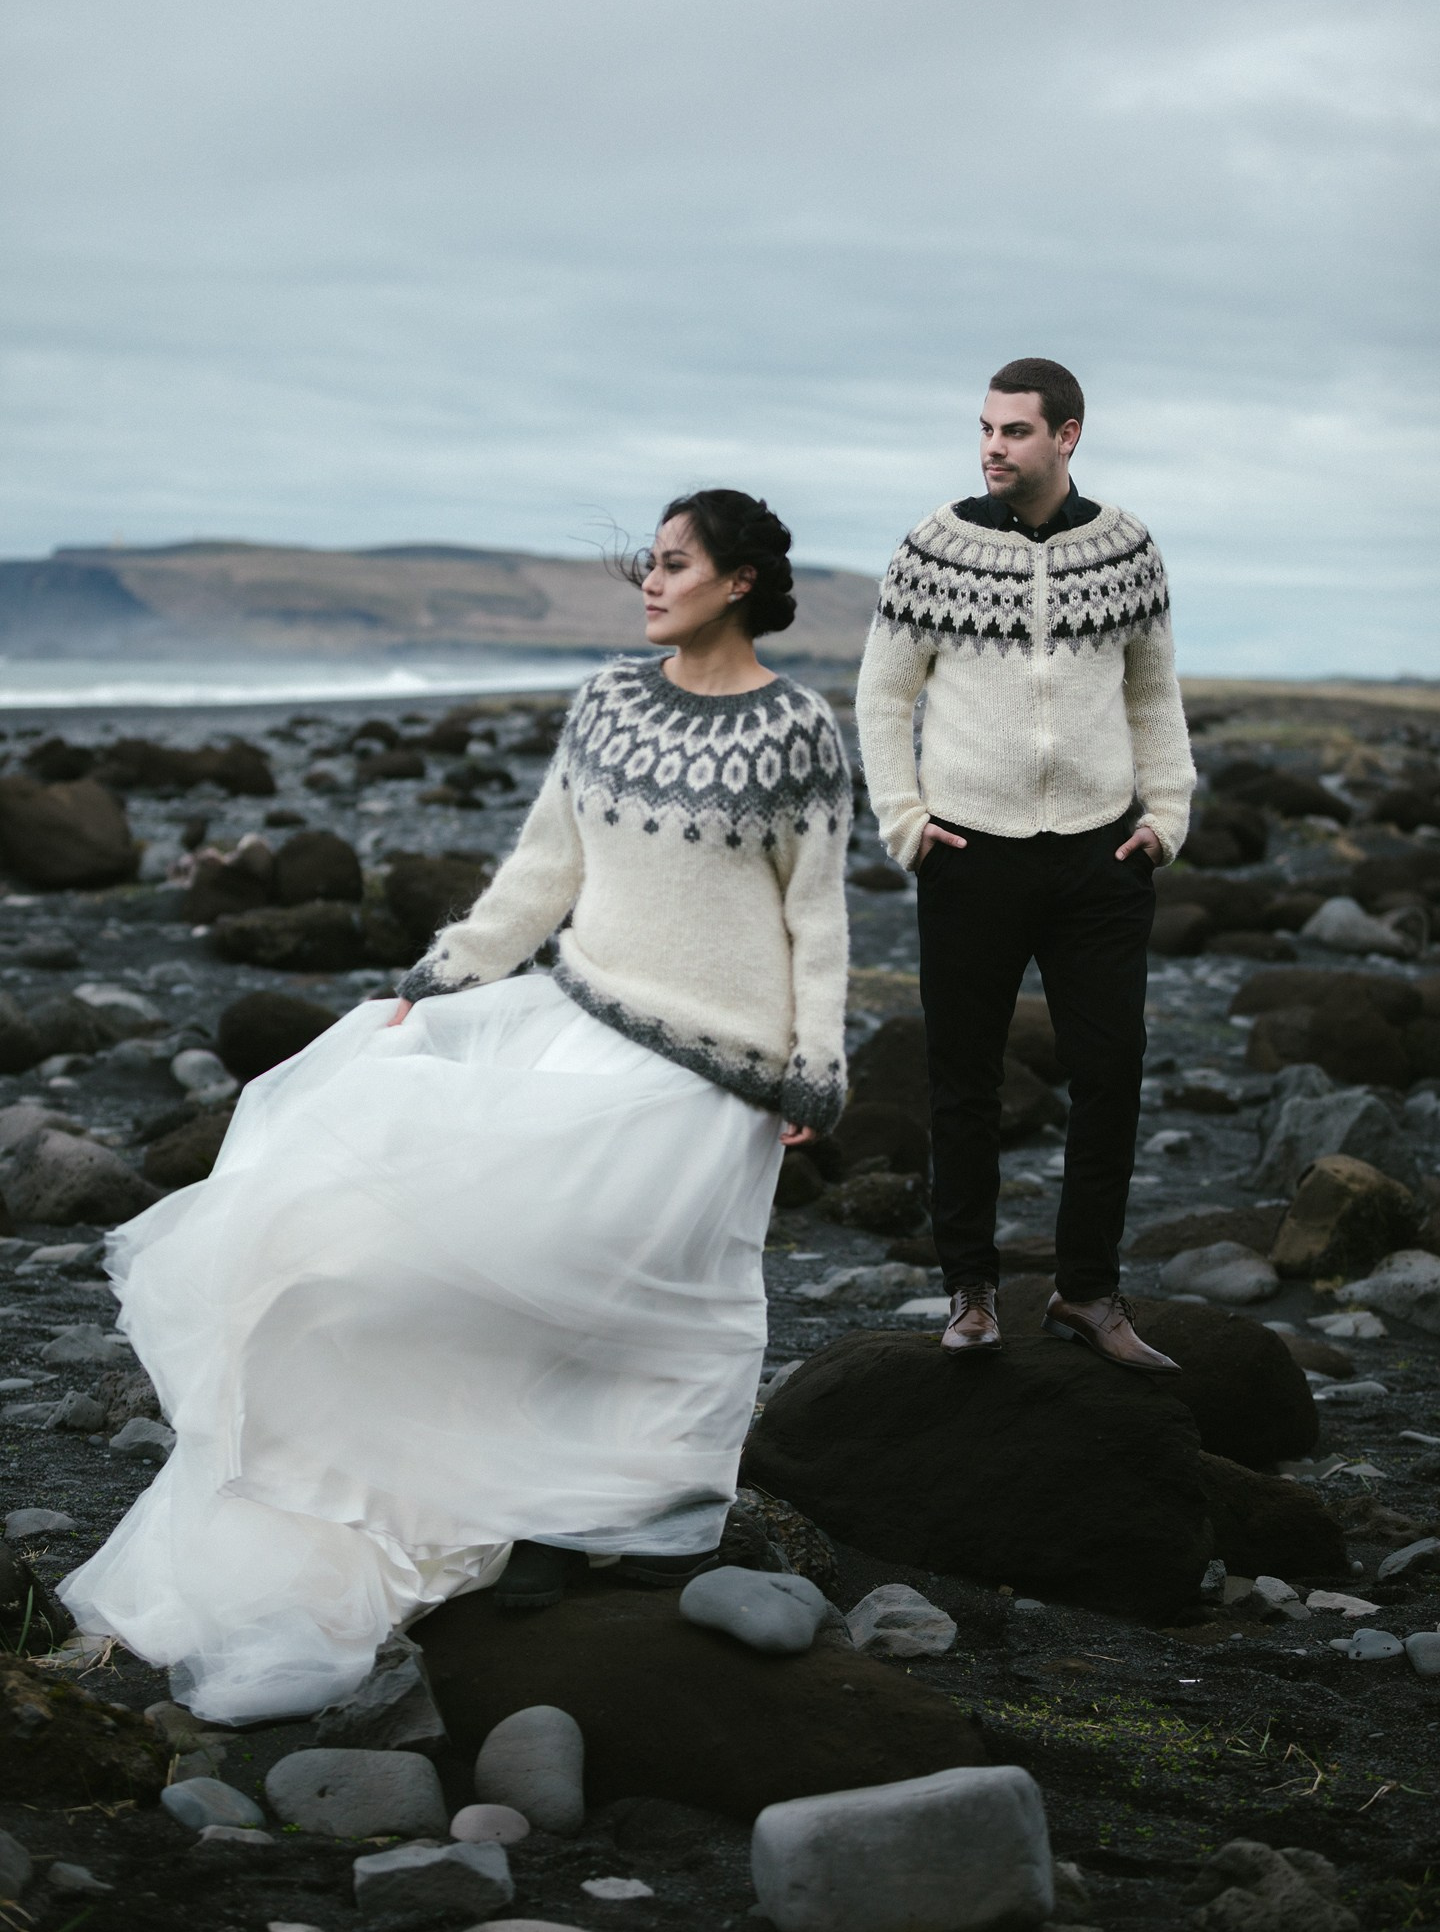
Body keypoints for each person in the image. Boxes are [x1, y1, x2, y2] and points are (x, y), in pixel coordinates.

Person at [60, 489, 850, 1723]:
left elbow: (816, 915)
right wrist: (433, 983)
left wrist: (818, 1069)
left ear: (738, 580)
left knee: (682, 1295)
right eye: (646, 562)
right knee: (471, 1252)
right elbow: (545, 870)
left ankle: (633, 1524)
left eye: (675, 564)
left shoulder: (800, 731)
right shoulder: (605, 703)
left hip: (724, 1068)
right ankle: (508, 1498)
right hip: (585, 1018)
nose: (649, 581)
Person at [854, 358, 1195, 1371]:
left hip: (1101, 858)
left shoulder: (1125, 549)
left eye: (1015, 431)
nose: (993, 447)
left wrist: (1165, 815)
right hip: (970, 857)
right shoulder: (934, 548)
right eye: (986, 429)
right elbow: (882, 697)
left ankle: (1088, 1293)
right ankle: (971, 1293)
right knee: (962, 1081)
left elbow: (1152, 695)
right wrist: (906, 822)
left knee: (1113, 1074)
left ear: (1068, 436)